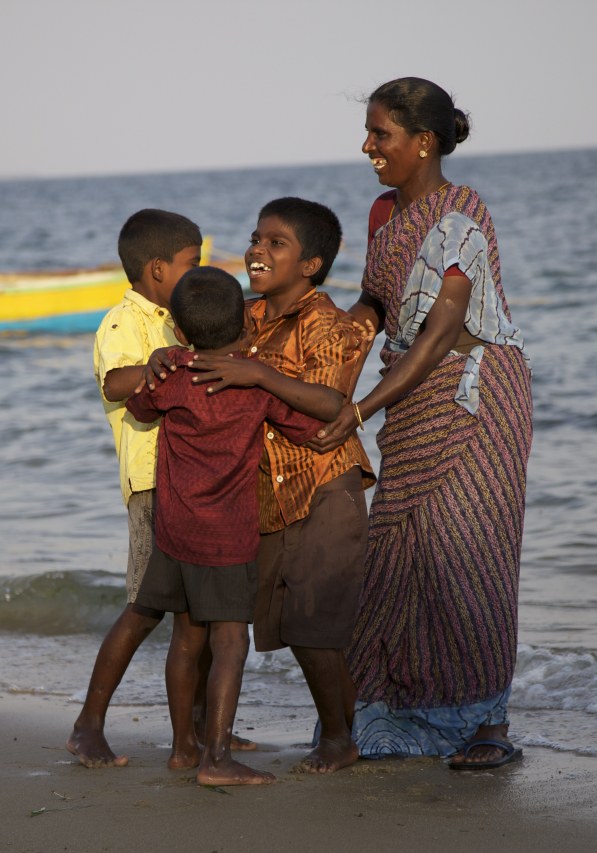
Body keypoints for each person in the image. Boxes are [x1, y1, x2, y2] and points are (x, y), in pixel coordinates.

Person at [309, 77, 533, 770]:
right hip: (410, 396)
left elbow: (440, 332)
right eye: (370, 133)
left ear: (424, 142)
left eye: (382, 134)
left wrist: (360, 408)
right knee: (400, 560)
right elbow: (379, 298)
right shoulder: (384, 213)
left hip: (474, 393)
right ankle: (395, 713)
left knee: (467, 557)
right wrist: (338, 334)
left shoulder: (462, 214)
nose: (368, 146)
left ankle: (486, 720)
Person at [185, 197, 374, 773]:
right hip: (265, 494)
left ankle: (340, 739)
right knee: (286, 623)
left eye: (275, 243)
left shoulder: (328, 325)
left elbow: (331, 403)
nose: (257, 250)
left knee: (315, 623)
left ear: (310, 265)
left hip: (325, 483)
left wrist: (259, 373)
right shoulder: (243, 316)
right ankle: (208, 732)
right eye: (255, 238)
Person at [127, 266, 324, 786]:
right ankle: (216, 758)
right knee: (231, 642)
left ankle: (181, 749)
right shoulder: (252, 382)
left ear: (182, 330)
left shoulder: (173, 373)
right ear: (244, 320)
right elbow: (310, 426)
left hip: (175, 533)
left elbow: (138, 405)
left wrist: (163, 361)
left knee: (186, 640)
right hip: (227, 537)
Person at [66, 208, 200, 769]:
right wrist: (167, 363)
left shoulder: (180, 316)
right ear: (156, 269)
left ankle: (197, 732)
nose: (199, 274)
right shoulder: (123, 323)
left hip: (195, 484)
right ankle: (88, 725)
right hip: (151, 486)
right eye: (192, 264)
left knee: (201, 616)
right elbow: (118, 381)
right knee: (145, 608)